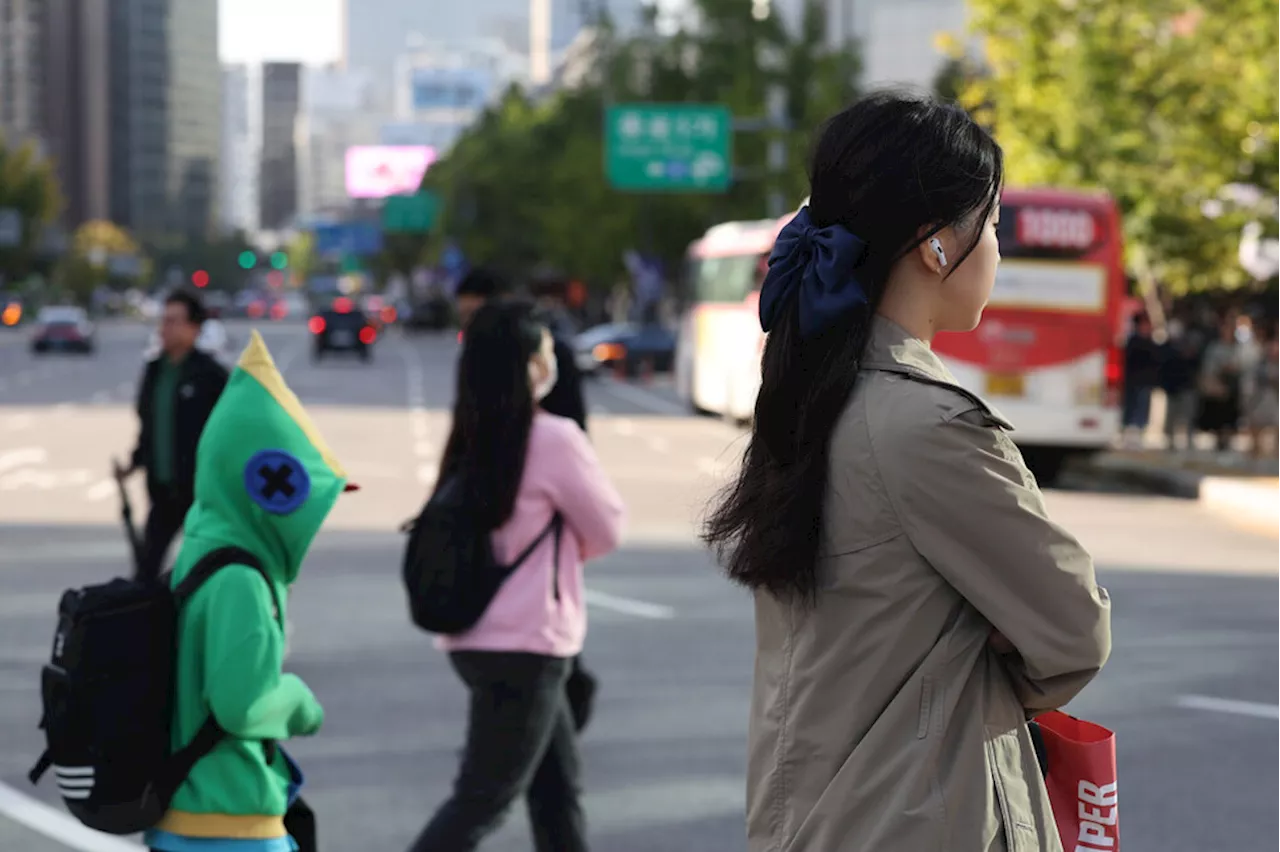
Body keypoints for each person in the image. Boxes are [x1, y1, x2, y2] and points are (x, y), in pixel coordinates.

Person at [702, 92, 1112, 852]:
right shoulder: (928, 428)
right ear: (935, 245)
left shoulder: (812, 392)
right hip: (919, 821)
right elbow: (1075, 630)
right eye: (990, 226)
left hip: (818, 815)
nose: (995, 248)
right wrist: (968, 664)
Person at [410, 302, 625, 852]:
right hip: (527, 646)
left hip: (478, 638)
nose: (554, 363)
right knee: (483, 800)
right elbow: (606, 529)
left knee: (557, 791)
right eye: (548, 353)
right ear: (530, 367)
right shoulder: (552, 438)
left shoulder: (472, 436)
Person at [145, 330, 354, 852]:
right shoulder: (241, 578)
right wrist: (302, 703)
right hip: (227, 820)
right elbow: (243, 704)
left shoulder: (202, 544)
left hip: (185, 812)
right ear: (269, 491)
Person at [454, 266, 599, 729]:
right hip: (520, 629)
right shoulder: (484, 369)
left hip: (531, 612)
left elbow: (603, 522)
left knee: (513, 788)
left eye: (474, 314)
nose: (469, 327)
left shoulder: (548, 428)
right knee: (523, 780)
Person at [117, 290, 229, 582]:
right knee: (145, 572)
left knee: (203, 570)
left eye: (173, 321)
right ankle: (146, 627)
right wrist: (134, 461)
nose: (164, 328)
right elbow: (149, 424)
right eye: (163, 321)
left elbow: (228, 434)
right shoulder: (155, 371)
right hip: (162, 490)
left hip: (201, 494)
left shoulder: (211, 375)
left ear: (194, 328)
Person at [1121, 312, 1161, 447]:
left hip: (1145, 383)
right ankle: (1130, 433)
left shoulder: (1151, 342)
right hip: (1133, 382)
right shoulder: (1133, 342)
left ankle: (1138, 432)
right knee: (1133, 408)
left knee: (1143, 409)